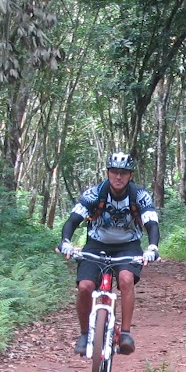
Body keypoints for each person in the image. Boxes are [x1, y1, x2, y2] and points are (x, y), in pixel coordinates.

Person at [58, 151, 160, 355]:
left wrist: (153, 247)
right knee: (86, 287)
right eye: (114, 172)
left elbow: (151, 223)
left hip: (128, 246)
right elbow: (72, 220)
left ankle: (125, 333)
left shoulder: (140, 196)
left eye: (123, 172)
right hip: (96, 244)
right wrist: (66, 241)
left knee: (125, 279)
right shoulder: (93, 194)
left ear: (130, 175)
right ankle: (85, 333)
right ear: (108, 173)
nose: (118, 177)